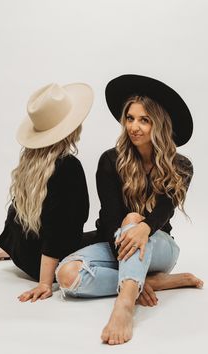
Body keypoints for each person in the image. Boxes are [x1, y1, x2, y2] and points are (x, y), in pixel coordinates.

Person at [55, 75, 203, 345]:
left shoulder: (181, 166)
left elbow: (162, 215)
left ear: (159, 124)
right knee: (66, 276)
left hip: (159, 246)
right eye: (130, 118)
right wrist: (129, 251)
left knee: (135, 219)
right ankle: (145, 283)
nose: (134, 127)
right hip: (115, 243)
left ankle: (124, 305)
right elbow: (111, 220)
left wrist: (141, 227)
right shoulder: (110, 160)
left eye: (144, 120)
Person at [0, 82, 94, 303]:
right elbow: (58, 228)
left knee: (28, 210)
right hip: (44, 263)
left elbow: (19, 215)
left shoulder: (30, 161)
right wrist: (44, 282)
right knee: (104, 238)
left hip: (24, 254)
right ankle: (7, 254)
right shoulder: (68, 167)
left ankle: (2, 251)